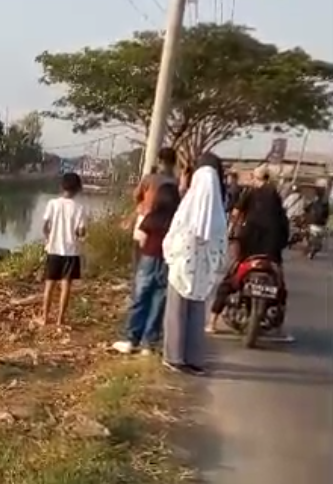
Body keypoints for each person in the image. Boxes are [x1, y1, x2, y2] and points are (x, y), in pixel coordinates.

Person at [161, 152, 228, 375]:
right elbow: (221, 244)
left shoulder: (189, 204)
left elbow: (174, 234)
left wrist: (171, 255)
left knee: (176, 312)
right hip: (202, 271)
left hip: (182, 266)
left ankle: (174, 357)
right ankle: (194, 359)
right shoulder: (218, 211)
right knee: (196, 313)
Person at [208, 166, 291, 339]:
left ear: (255, 177)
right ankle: (280, 327)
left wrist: (232, 232)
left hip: (249, 242)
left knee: (229, 281)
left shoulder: (249, 193)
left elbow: (236, 213)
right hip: (271, 246)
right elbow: (284, 225)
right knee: (280, 286)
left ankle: (212, 321)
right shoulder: (276, 197)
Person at [112, 183, 181, 355]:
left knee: (140, 298)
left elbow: (141, 239)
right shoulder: (178, 219)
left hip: (149, 259)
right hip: (168, 262)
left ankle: (131, 339)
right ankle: (149, 344)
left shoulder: (152, 217)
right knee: (158, 303)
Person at [40, 172, 87, 327]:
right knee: (66, 286)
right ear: (78, 189)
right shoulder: (79, 208)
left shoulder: (52, 203)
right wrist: (80, 234)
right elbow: (81, 232)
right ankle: (60, 320)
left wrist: (48, 238)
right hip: (71, 252)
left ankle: (45, 318)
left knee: (49, 285)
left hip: (53, 249)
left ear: (61, 186)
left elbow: (45, 227)